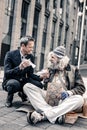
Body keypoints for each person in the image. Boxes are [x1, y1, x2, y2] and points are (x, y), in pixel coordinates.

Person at [23, 46, 86, 125]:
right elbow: (43, 86)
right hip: (49, 98)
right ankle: (56, 113)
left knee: (79, 99)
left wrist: (69, 93)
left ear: (60, 59)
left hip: (64, 100)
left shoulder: (73, 70)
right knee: (27, 86)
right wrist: (44, 78)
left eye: (53, 57)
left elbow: (81, 88)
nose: (50, 59)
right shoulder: (50, 69)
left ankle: (43, 115)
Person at [2, 36, 44, 107]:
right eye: (30, 47)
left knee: (39, 84)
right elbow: (7, 73)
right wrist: (19, 68)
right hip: (11, 80)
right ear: (23, 46)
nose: (32, 49)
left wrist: (41, 77)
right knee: (13, 84)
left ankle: (23, 94)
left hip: (23, 80)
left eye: (32, 47)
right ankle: (9, 99)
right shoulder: (10, 54)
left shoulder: (30, 57)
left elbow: (30, 74)